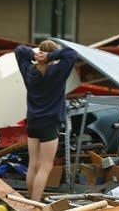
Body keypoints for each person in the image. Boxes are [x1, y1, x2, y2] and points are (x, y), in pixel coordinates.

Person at [15, 40, 78, 201]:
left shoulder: (29, 70)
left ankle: (29, 201)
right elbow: (71, 53)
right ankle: (35, 203)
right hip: (49, 124)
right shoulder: (58, 71)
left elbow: (20, 50)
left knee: (33, 164)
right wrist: (50, 56)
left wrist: (33, 55)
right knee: (45, 166)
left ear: (40, 53)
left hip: (33, 122)